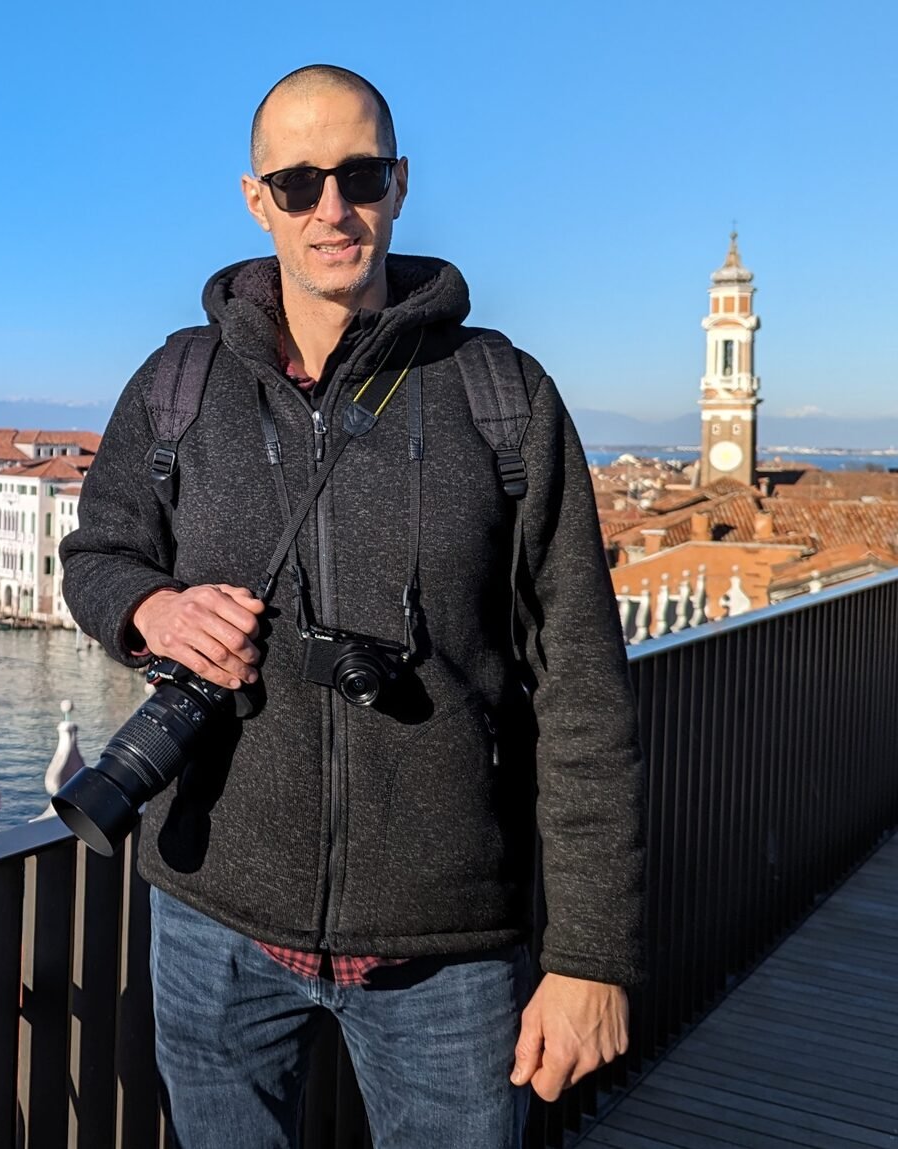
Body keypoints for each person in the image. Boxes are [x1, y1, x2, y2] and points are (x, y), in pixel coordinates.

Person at [59, 65, 644, 1148]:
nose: (332, 209)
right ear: (256, 199)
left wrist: (590, 956)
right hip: (209, 921)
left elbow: (583, 691)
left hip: (448, 949)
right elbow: (95, 555)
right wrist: (149, 610)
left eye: (359, 175)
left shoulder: (500, 396)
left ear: (400, 183)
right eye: (298, 183)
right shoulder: (175, 386)